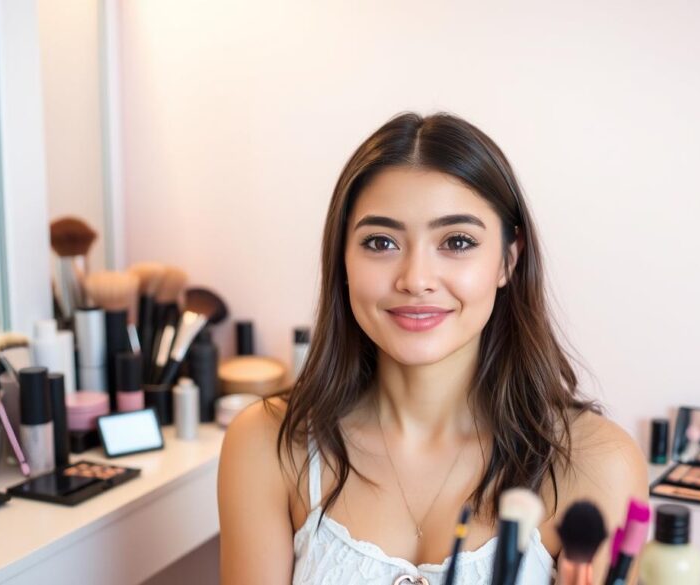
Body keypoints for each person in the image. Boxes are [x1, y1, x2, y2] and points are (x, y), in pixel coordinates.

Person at [219, 112, 648, 584]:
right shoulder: (267, 445)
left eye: (457, 241)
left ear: (508, 259)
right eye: (381, 242)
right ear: (342, 260)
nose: (416, 279)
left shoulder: (598, 463)